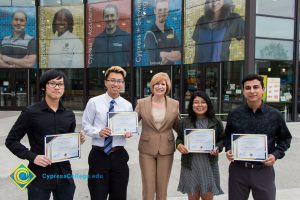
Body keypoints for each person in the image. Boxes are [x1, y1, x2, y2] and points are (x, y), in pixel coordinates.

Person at [5, 69, 85, 200]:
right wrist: (33, 156)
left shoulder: (69, 115)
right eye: (52, 83)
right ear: (43, 87)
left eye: (60, 84)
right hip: (38, 174)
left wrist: (77, 140)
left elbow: (66, 142)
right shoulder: (30, 112)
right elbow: (11, 140)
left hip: (63, 174)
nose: (57, 87)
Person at [224, 74, 292, 200]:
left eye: (256, 87)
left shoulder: (275, 115)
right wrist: (228, 149)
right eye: (248, 88)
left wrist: (275, 155)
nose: (252, 91)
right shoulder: (234, 114)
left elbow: (285, 139)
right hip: (238, 170)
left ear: (263, 90)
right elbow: (228, 136)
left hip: (263, 169)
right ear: (243, 91)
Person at [82, 66, 133, 200]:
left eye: (120, 81)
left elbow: (128, 126)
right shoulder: (94, 102)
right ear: (106, 82)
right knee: (98, 195)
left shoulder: (127, 105)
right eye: (112, 80)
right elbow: (86, 125)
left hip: (119, 155)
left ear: (123, 84)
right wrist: (98, 132)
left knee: (119, 196)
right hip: (99, 155)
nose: (116, 84)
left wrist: (128, 132)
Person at [135, 72, 180, 200]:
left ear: (167, 86)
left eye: (163, 84)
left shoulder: (174, 104)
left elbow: (178, 127)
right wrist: (125, 130)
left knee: (162, 187)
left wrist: (193, 134)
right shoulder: (142, 103)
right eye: (156, 84)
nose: (159, 87)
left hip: (166, 149)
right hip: (146, 150)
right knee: (148, 188)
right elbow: (131, 124)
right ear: (152, 86)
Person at [176, 91, 224, 200]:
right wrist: (178, 145)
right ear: (191, 105)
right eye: (196, 102)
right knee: (193, 197)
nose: (200, 105)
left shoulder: (216, 121)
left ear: (208, 104)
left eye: (203, 102)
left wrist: (218, 148)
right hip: (190, 164)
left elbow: (222, 139)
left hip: (209, 164)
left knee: (207, 197)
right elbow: (179, 138)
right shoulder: (184, 122)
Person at [144, 0, 181, 66]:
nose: (162, 13)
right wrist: (172, 54)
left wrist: (163, 54)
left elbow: (179, 55)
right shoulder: (150, 33)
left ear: (168, 11)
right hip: (156, 72)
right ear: (155, 11)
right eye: (160, 10)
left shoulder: (171, 31)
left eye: (165, 10)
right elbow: (154, 58)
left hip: (173, 72)